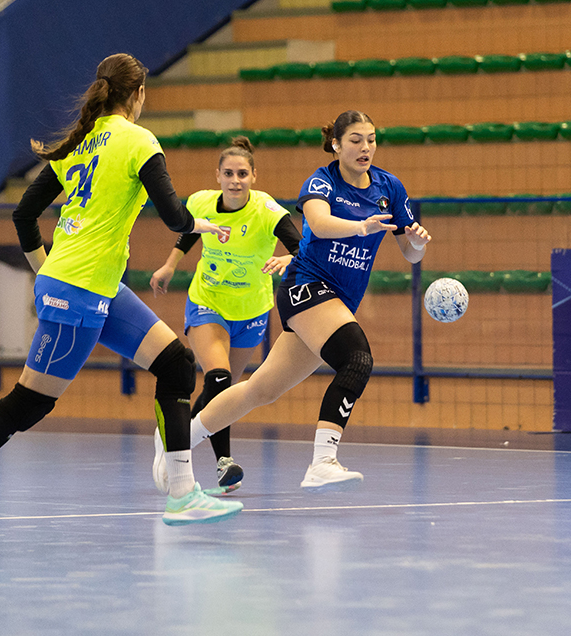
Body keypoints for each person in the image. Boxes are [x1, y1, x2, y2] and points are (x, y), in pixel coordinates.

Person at [0, 53, 242, 545]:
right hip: (79, 290)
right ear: (138, 94)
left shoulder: (79, 141)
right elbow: (174, 216)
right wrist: (201, 225)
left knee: (175, 364)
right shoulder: (138, 141)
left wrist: (46, 272)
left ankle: (182, 492)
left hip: (94, 285)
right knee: (28, 403)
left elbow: (24, 214)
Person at [153, 109, 431, 493]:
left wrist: (416, 242)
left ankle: (177, 439)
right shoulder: (322, 181)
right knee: (356, 359)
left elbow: (411, 254)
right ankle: (323, 461)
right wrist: (361, 226)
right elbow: (319, 224)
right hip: (307, 287)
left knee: (260, 390)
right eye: (355, 140)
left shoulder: (389, 187)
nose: (365, 147)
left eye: (371, 139)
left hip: (339, 300)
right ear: (336, 145)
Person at [149, 136, 302, 494]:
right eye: (229, 173)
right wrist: (170, 264)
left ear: (254, 177)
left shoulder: (266, 211)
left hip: (251, 311)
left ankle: (171, 435)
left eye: (242, 174)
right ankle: (223, 462)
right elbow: (188, 233)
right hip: (208, 302)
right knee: (219, 376)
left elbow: (302, 246)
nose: (235, 180)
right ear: (217, 175)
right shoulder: (202, 201)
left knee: (224, 392)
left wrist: (288, 258)